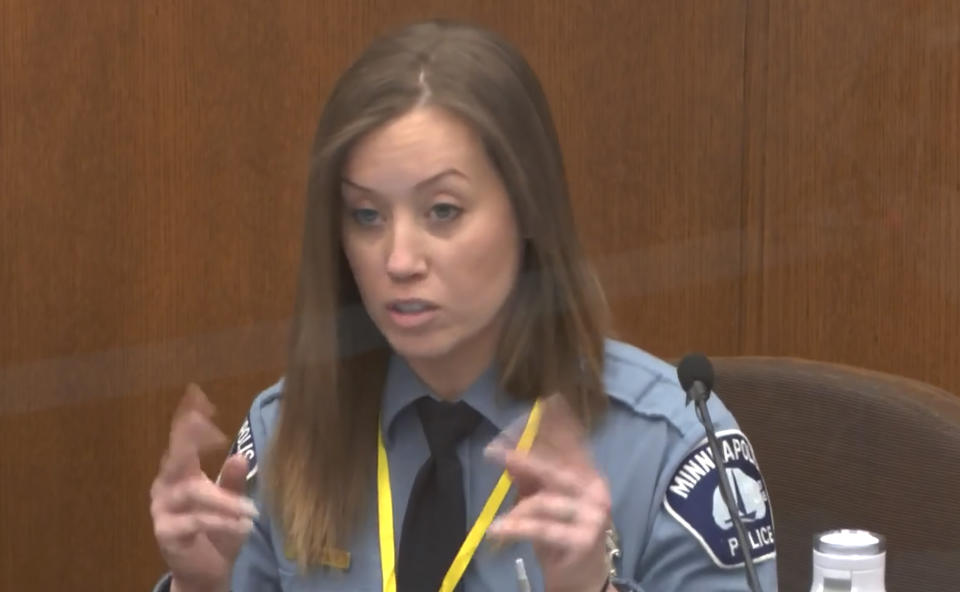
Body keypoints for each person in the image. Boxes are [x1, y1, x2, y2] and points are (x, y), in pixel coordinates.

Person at [149, 19, 779, 592]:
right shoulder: (287, 432)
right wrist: (200, 588)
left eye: (442, 212)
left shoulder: (674, 449)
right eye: (367, 216)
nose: (399, 259)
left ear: (530, 208)